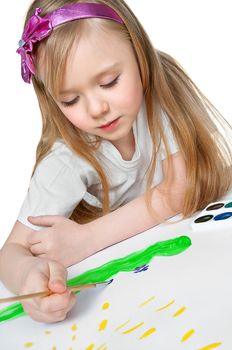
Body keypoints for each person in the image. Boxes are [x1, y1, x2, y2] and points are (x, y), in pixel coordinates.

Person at [0, 0, 231, 323]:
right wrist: (29, 273)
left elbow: (185, 185)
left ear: (139, 52)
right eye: (70, 99)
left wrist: (87, 239)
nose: (96, 108)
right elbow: (9, 254)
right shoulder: (66, 160)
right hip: (139, 295)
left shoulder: (162, 89)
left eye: (109, 82)